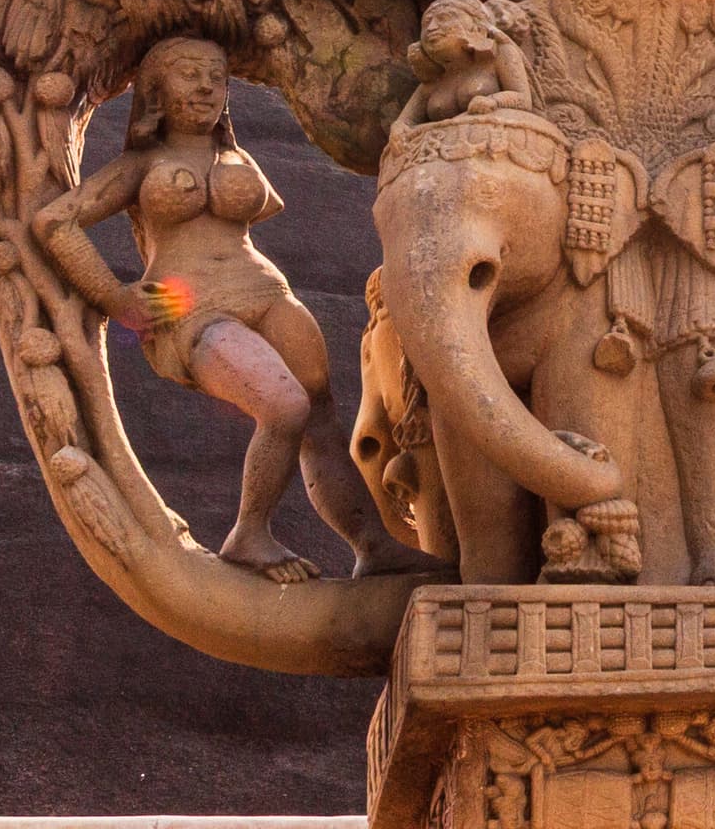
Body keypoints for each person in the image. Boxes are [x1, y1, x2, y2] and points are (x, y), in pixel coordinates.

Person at [31, 36, 428, 580]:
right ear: (154, 91)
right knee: (283, 406)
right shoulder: (142, 163)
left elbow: (263, 206)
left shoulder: (235, 153)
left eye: (215, 77)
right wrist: (114, 296)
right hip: (190, 307)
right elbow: (55, 221)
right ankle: (248, 534)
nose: (204, 86)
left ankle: (371, 546)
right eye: (188, 74)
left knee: (320, 420)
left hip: (267, 292)